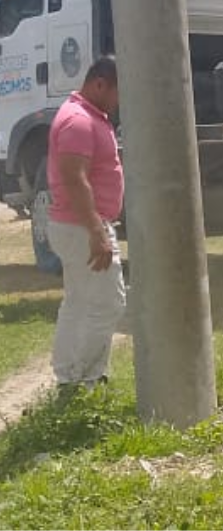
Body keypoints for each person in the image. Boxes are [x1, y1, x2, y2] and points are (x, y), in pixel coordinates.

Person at [47, 56, 125, 388]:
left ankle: (68, 376)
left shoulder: (86, 115)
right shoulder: (78, 121)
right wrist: (96, 231)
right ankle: (87, 380)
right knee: (109, 302)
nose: (119, 101)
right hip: (83, 226)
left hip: (76, 224)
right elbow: (74, 179)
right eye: (118, 92)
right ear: (100, 84)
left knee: (78, 301)